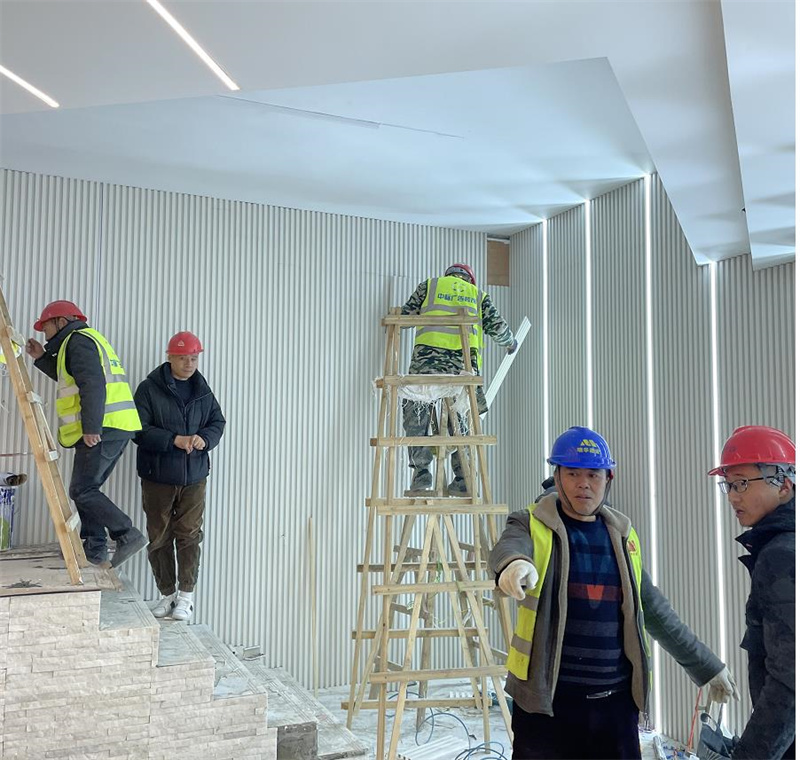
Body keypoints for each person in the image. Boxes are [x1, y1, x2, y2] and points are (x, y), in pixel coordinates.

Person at [489, 426, 738, 759]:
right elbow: (508, 548)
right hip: (546, 704)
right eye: (572, 473)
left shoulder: (622, 535)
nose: (583, 483)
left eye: (593, 474)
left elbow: (655, 610)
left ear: (608, 479)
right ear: (557, 476)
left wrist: (706, 666)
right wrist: (514, 565)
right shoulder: (530, 523)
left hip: (615, 708)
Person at [25, 300, 146, 567]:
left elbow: (92, 384)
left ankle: (127, 534)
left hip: (104, 427)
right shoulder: (81, 341)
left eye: (46, 327)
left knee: (82, 489)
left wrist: (92, 428)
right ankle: (94, 547)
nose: (44, 333)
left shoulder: (78, 342)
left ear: (62, 322)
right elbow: (73, 377)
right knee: (87, 488)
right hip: (115, 425)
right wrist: (41, 358)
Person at [708, 425, 795, 759]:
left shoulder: (781, 555)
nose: (732, 497)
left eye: (742, 483)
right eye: (728, 485)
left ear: (784, 485)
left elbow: (790, 679)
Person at [401, 262, 517, 495]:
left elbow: (404, 317)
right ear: (470, 279)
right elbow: (498, 327)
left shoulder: (430, 286)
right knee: (460, 420)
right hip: (461, 373)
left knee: (416, 417)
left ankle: (421, 475)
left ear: (448, 275)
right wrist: (511, 343)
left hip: (425, 369)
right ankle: (463, 478)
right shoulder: (477, 295)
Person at [133, 332, 225, 622]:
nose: (189, 364)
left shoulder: (203, 390)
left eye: (194, 358)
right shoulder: (149, 389)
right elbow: (136, 428)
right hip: (157, 476)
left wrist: (204, 438)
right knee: (159, 536)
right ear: (169, 357)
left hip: (194, 476)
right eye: (183, 358)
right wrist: (174, 439)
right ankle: (167, 595)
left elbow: (217, 421)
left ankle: (186, 597)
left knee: (189, 535)